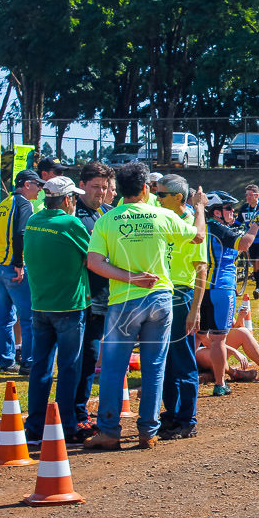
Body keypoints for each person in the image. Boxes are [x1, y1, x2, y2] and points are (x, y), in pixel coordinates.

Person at [83, 162, 207, 451]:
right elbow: (198, 236)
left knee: (114, 368)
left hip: (123, 301)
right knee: (154, 366)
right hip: (160, 298)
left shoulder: (106, 220)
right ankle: (147, 431)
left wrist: (129, 277)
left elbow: (94, 262)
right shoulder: (161, 215)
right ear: (145, 188)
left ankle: (109, 430)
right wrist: (199, 208)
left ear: (118, 190)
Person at [23, 176, 91, 445]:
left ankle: (36, 425)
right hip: (69, 306)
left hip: (40, 304)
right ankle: (67, 425)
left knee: (40, 366)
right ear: (66, 200)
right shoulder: (70, 223)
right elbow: (94, 256)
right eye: (73, 197)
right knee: (68, 367)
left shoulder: (34, 221)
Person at [202, 192, 259, 396]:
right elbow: (244, 244)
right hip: (222, 287)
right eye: (229, 209)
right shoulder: (217, 228)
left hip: (202, 287)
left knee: (197, 336)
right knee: (218, 339)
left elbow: (236, 233)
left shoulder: (204, 226)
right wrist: (257, 224)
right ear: (217, 212)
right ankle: (220, 383)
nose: (233, 212)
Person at [156, 174, 209, 440]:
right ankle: (172, 413)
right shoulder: (162, 220)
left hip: (181, 294)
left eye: (161, 194)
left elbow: (201, 270)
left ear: (178, 197)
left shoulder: (192, 224)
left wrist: (195, 309)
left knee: (183, 358)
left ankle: (187, 418)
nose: (156, 198)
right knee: (165, 359)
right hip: (162, 292)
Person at [73, 160, 115, 438]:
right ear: (82, 185)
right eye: (95, 186)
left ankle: (80, 412)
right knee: (81, 358)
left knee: (90, 357)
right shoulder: (76, 215)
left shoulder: (105, 213)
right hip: (81, 297)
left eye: (105, 187)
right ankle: (75, 415)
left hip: (103, 297)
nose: (100, 192)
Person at [0, 169, 44, 374]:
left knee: (4, 319)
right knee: (28, 318)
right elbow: (21, 233)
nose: (40, 189)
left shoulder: (2, 205)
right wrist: (19, 263)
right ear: (26, 184)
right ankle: (29, 362)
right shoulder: (24, 203)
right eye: (37, 184)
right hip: (14, 267)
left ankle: (6, 362)